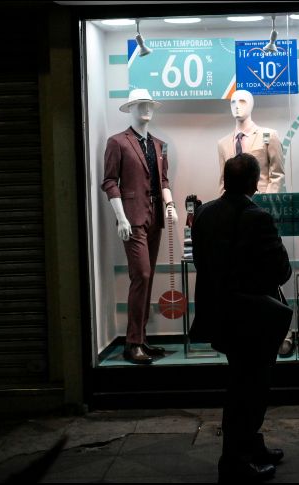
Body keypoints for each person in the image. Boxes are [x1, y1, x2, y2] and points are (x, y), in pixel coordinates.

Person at [190, 153, 292, 482]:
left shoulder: (204, 213)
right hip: (251, 317)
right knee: (250, 389)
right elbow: (282, 271)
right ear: (254, 182)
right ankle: (234, 460)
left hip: (220, 313)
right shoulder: (257, 217)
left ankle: (251, 446)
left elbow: (201, 263)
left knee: (240, 383)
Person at [101, 89, 178, 365]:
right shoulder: (117, 142)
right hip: (131, 218)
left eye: (148, 104)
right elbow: (110, 182)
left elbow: (164, 180)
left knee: (148, 276)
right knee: (141, 275)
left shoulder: (159, 144)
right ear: (131, 109)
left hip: (155, 217)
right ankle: (132, 342)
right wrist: (120, 217)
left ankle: (142, 339)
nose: (145, 108)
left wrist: (170, 205)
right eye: (140, 104)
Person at [217, 89, 285, 194]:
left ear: (251, 105)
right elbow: (223, 181)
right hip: (232, 205)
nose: (237, 106)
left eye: (242, 101)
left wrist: (267, 201)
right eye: (233, 102)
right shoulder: (223, 144)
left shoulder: (269, 136)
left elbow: (277, 174)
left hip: (260, 202)